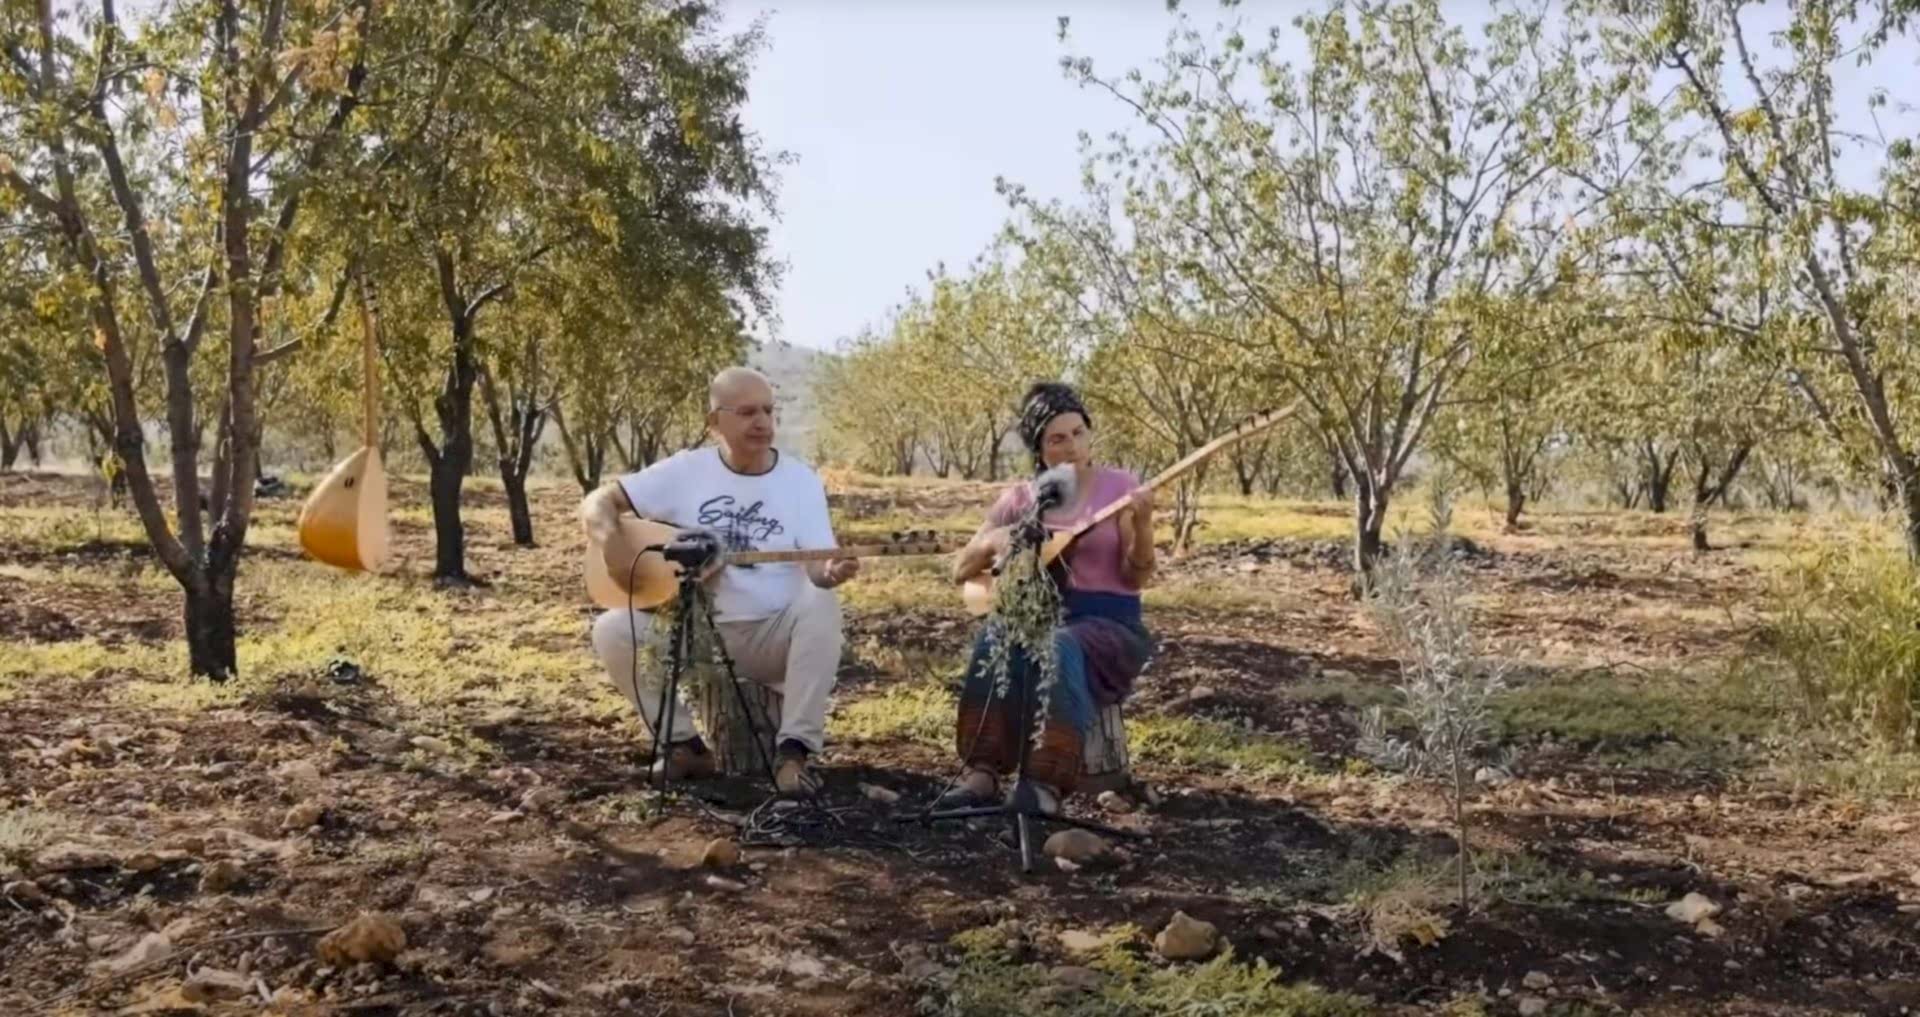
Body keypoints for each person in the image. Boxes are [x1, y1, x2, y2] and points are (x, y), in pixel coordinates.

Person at [581, 367, 860, 795]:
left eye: (768, 410)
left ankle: (794, 753)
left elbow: (818, 568)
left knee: (821, 604)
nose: (763, 422)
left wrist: (830, 572)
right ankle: (684, 746)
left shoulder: (800, 481)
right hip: (697, 635)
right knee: (613, 630)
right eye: (747, 412)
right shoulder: (685, 471)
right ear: (715, 423)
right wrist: (613, 546)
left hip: (771, 635)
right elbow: (599, 500)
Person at [942, 381, 1156, 814]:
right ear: (1039, 449)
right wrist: (996, 540)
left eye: (1079, 433)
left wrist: (1145, 522)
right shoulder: (1021, 499)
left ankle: (1044, 783)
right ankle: (981, 771)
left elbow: (1136, 578)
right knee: (996, 634)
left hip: (1109, 627)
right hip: (1042, 617)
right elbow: (961, 570)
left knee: (1057, 645)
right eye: (1058, 438)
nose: (1072, 446)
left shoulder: (1119, 488)